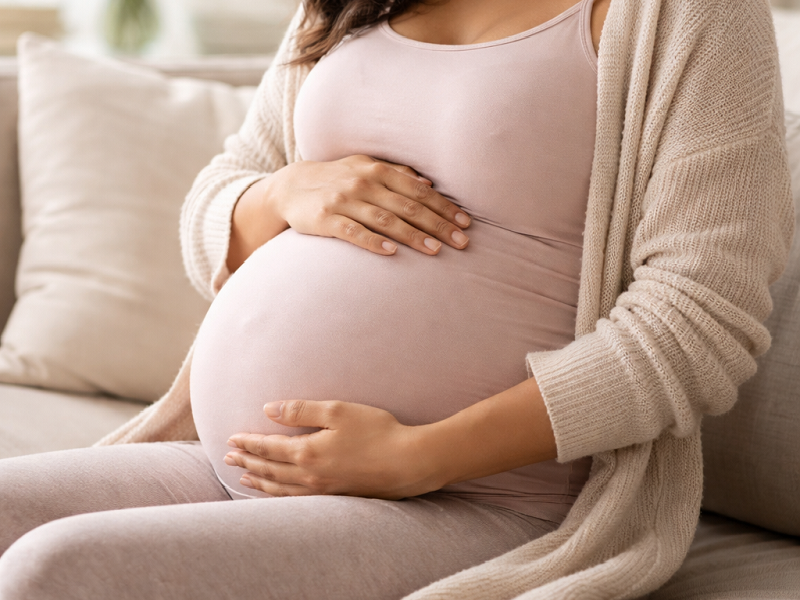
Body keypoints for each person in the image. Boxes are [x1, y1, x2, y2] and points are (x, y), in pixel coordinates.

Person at [0, 0, 792, 598]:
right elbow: (216, 201)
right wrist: (282, 193)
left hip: (478, 500)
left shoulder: (689, 16)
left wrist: (420, 457)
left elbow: (698, 323)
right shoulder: (345, 3)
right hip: (232, 461)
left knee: (51, 570)